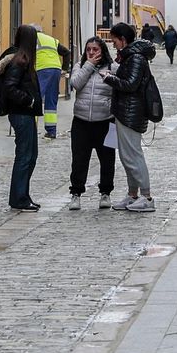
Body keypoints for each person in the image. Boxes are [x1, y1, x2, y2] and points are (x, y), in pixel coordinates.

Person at [104, 23, 156, 212]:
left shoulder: (135, 58)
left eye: (115, 41)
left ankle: (147, 197)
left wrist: (109, 78)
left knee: (132, 155)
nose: (113, 44)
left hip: (131, 113)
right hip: (126, 112)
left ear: (123, 40)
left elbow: (130, 84)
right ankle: (133, 194)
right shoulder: (131, 56)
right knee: (127, 156)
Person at [67, 37, 118, 210]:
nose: (91, 52)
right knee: (79, 160)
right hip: (81, 121)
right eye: (88, 49)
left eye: (95, 49)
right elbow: (75, 84)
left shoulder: (113, 68)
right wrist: (88, 65)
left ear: (102, 51)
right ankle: (76, 193)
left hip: (106, 121)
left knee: (108, 159)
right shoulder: (80, 66)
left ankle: (106, 193)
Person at [0, 25, 44, 210]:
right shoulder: (19, 61)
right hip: (22, 113)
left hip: (26, 114)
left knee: (31, 156)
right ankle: (19, 198)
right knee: (25, 156)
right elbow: (10, 87)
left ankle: (23, 195)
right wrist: (29, 101)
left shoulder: (23, 59)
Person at [33, 26, 69, 140]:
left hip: (42, 69)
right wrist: (65, 69)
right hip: (56, 69)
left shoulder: (32, 38)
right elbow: (66, 52)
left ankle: (31, 129)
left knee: (35, 98)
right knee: (51, 100)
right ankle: (51, 131)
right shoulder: (52, 40)